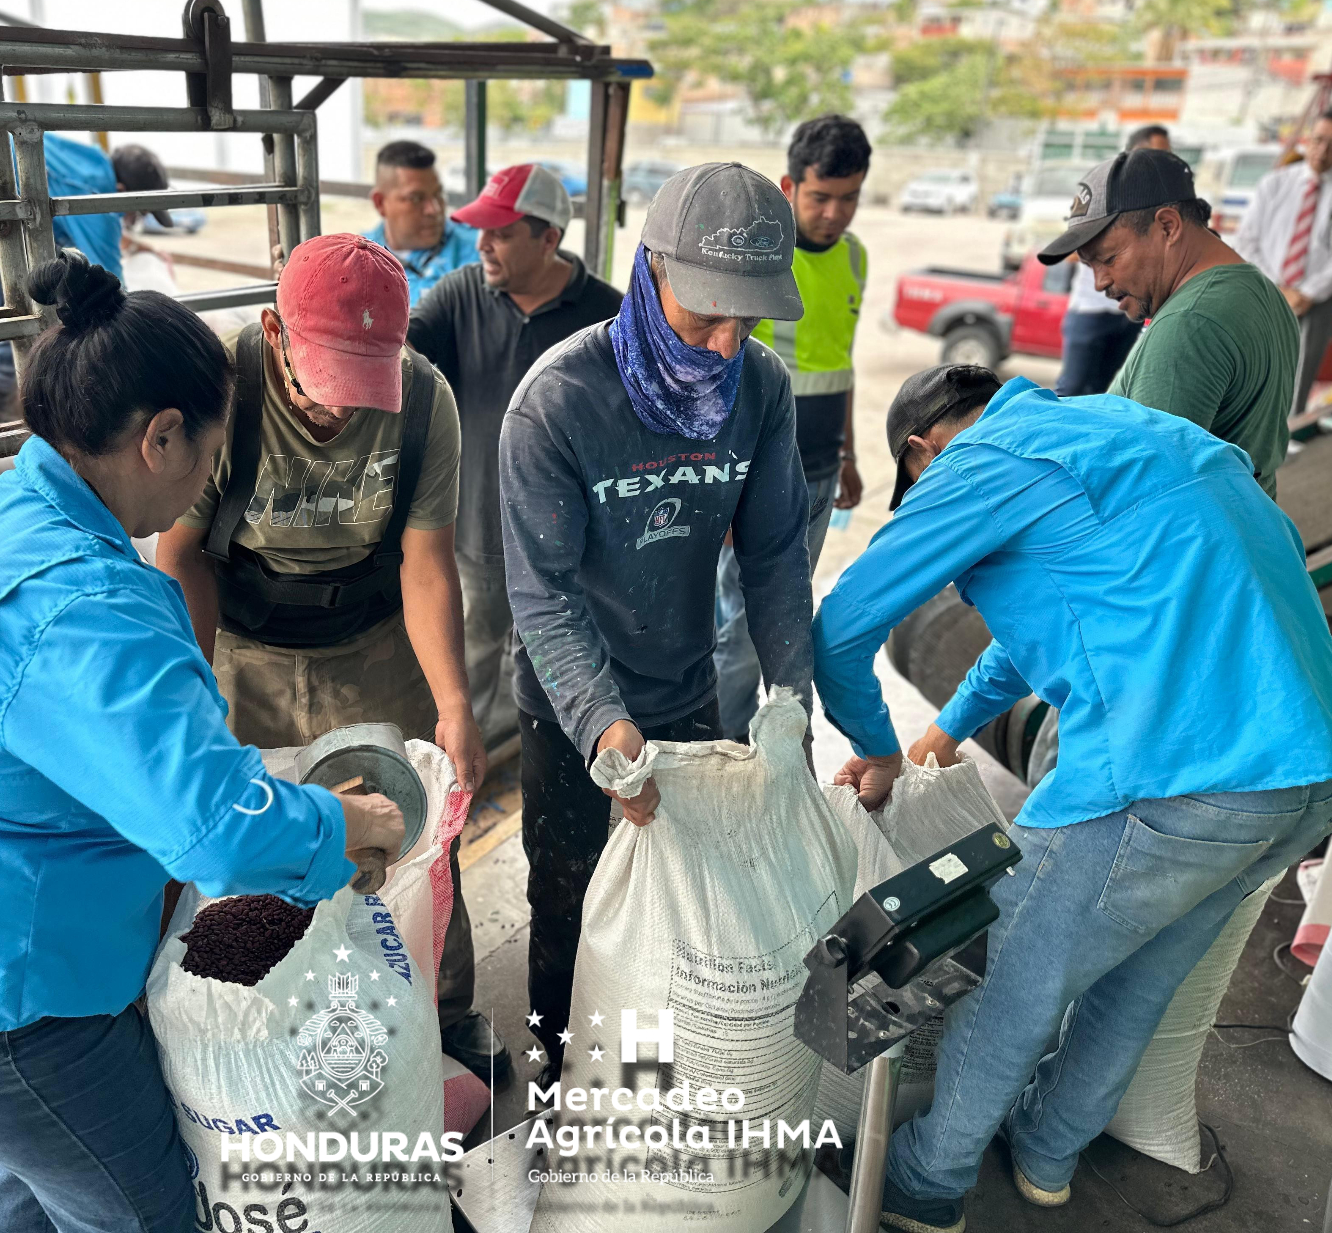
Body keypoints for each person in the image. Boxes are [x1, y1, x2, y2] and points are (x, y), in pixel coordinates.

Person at [0, 250, 405, 1233]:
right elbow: (219, 831)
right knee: (140, 1209)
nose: (207, 481)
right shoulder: (89, 610)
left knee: (30, 1161)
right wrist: (340, 826)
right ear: (160, 437)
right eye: (209, 456)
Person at [812, 362, 1332, 1233]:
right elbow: (1052, 620)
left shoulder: (980, 460)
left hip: (1174, 769)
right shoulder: (1123, 429)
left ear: (921, 453)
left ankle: (927, 1181)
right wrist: (942, 732)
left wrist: (878, 749)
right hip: (1303, 773)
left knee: (1013, 971)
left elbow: (840, 628)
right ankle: (1048, 1151)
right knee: (1140, 975)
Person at [154, 233, 501, 1082]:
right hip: (246, 651)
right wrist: (196, 698)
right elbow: (181, 555)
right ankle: (275, 1033)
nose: (341, 415)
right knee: (257, 850)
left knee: (410, 832)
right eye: (323, 386)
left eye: (361, 389)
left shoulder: (425, 402)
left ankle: (442, 1016)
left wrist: (455, 705)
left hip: (374, 645)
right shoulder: (221, 390)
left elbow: (427, 563)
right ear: (275, 333)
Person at [500, 163, 813, 1083]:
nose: (725, 343)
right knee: (569, 899)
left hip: (683, 688)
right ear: (652, 271)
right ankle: (560, 1072)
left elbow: (775, 558)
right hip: (570, 705)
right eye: (706, 313)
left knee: (683, 901)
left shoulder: (761, 389)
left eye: (748, 319)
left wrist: (791, 699)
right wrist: (602, 725)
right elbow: (543, 592)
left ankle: (645, 1075)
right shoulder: (558, 402)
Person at [406, 163, 623, 752]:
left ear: (548, 237)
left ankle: (535, 750)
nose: (482, 244)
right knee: (476, 650)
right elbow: (401, 350)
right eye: (482, 230)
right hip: (479, 527)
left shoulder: (609, 318)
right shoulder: (459, 295)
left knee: (558, 657)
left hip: (572, 543)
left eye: (500, 233)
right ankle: (470, 760)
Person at [716, 113, 870, 741]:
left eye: (849, 198)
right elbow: (723, 373)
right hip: (756, 475)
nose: (835, 213)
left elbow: (842, 360)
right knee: (739, 626)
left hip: (821, 468)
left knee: (787, 613)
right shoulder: (756, 260)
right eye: (821, 197)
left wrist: (849, 454)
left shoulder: (854, 258)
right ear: (789, 187)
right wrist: (726, 488)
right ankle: (721, 748)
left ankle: (767, 746)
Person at [1040, 147, 1296, 498]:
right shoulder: (1260, 290)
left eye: (1109, 259)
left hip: (1201, 530)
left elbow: (1146, 491)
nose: (1100, 282)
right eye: (1089, 266)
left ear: (1167, 226)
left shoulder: (1189, 324)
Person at [0, 135, 128, 422]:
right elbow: (111, 278)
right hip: (4, 217)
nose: (131, 220)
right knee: (24, 311)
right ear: (121, 190)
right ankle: (1, 394)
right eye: (137, 211)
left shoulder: (91, 159)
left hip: (0, 213)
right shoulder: (99, 198)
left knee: (10, 306)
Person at [1055, 124, 1170, 398]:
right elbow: (1070, 250)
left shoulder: (1163, 200)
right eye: (1159, 153)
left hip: (1131, 314)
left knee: (1106, 397)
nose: (1166, 162)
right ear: (1135, 152)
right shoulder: (1102, 191)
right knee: (1071, 392)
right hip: (1091, 310)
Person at [1234, 113, 1332, 414]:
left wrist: (1308, 293)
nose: (1322, 151)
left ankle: (1288, 439)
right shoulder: (1274, 184)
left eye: (1331, 145)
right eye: (1318, 140)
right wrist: (1279, 289)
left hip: (1315, 301)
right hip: (1265, 291)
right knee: (1248, 371)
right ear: (1307, 140)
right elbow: (1246, 241)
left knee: (1296, 383)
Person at [364, 140, 479, 304]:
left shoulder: (482, 252)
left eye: (438, 194)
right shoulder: (359, 260)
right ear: (380, 203)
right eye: (416, 198)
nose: (434, 209)